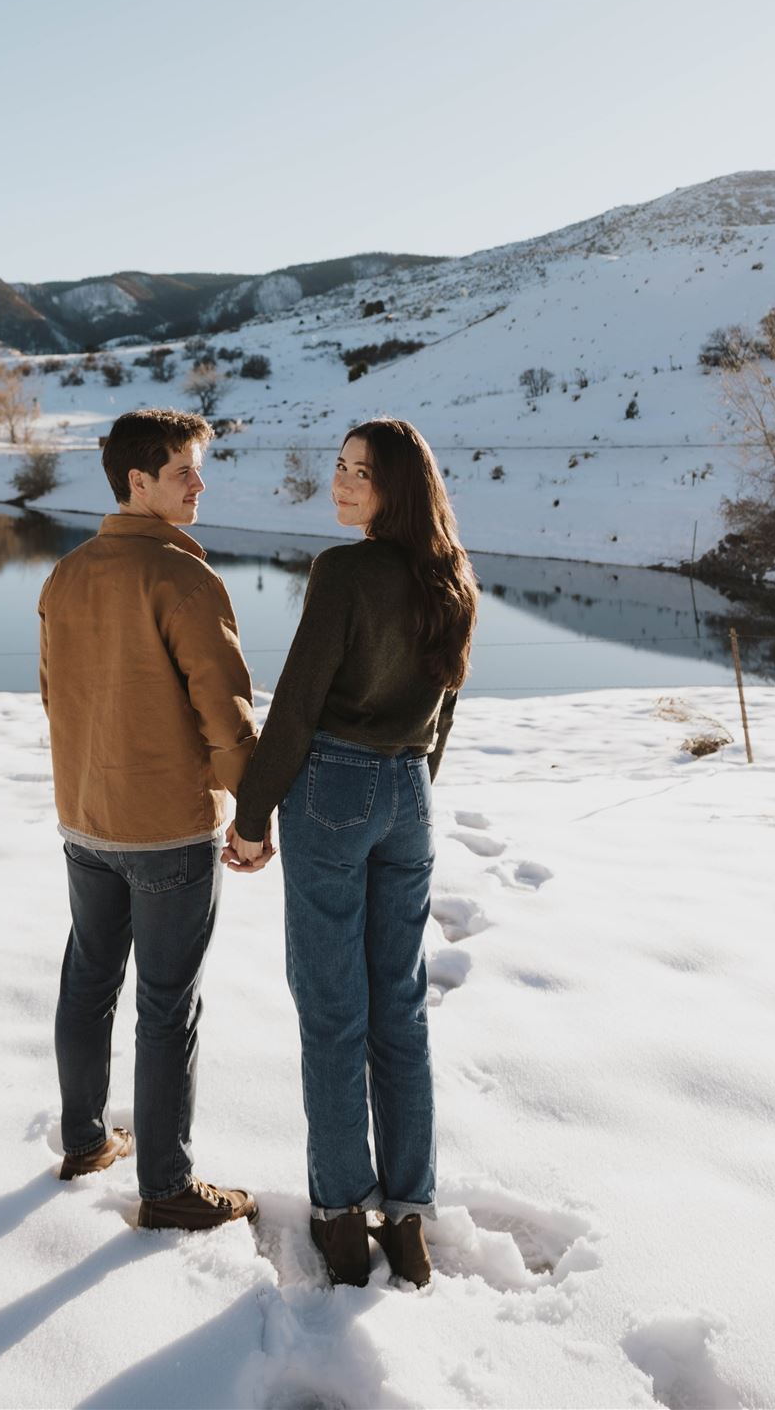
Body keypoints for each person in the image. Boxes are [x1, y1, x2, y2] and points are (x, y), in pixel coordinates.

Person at [227, 418, 477, 1288]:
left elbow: (297, 702)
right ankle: (407, 1219)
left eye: (358, 474)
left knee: (334, 1012)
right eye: (337, 468)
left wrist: (252, 812)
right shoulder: (450, 576)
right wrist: (411, 787)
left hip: (332, 790)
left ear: (396, 486)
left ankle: (339, 1218)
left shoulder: (343, 573)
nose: (338, 484)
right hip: (410, 794)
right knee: (398, 1012)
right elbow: (441, 711)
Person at [39, 407, 271, 1232]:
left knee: (88, 982)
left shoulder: (66, 573)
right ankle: (167, 1185)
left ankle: (83, 1141)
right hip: (169, 828)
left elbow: (58, 698)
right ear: (136, 482)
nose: (199, 484)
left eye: (198, 469)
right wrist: (251, 811)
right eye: (183, 471)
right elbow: (226, 715)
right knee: (168, 1006)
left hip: (86, 821)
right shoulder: (181, 578)